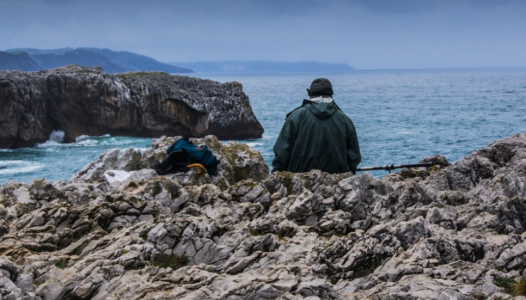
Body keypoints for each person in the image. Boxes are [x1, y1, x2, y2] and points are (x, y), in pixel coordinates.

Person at [272, 78, 361, 174]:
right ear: (330, 95)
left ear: (310, 95)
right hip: (337, 183)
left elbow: (282, 153)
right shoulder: (344, 120)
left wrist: (277, 176)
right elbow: (354, 157)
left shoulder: (295, 117)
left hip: (299, 182)